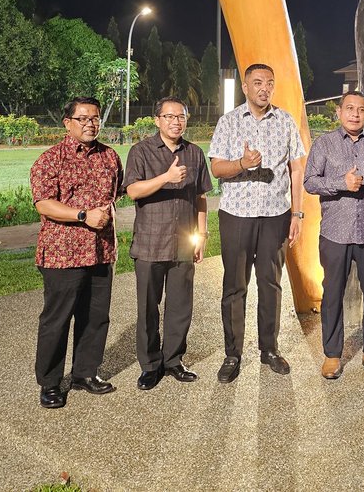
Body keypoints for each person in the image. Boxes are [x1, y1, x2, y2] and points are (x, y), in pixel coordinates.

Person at [208, 63, 306, 382]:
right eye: (257, 82)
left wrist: (297, 214)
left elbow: (296, 171)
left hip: (275, 215)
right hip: (237, 215)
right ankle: (232, 354)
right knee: (235, 286)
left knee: (271, 284)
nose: (264, 88)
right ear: (246, 88)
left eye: (269, 83)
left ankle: (270, 349)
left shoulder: (286, 122)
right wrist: (242, 163)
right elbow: (217, 169)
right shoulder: (229, 122)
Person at [304, 90, 364, 380]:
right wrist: (341, 183)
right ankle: (332, 355)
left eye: (361, 110)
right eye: (349, 108)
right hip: (335, 231)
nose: (355, 114)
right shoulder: (324, 144)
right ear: (339, 112)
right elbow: (310, 182)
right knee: (332, 293)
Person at [31, 96, 122, 409]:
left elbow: (120, 192)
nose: (90, 124)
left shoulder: (110, 156)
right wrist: (83, 215)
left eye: (94, 118)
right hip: (62, 253)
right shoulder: (50, 159)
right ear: (67, 122)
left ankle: (85, 372)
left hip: (100, 251)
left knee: (95, 317)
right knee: (57, 319)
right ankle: (50, 382)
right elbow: (43, 203)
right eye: (82, 118)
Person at [123, 97, 212, 391]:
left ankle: (173, 360)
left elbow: (200, 198)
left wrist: (201, 235)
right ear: (157, 119)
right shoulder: (142, 152)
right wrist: (167, 177)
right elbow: (134, 191)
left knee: (180, 306)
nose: (176, 121)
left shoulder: (195, 153)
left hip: (183, 243)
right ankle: (150, 365)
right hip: (150, 242)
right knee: (148, 308)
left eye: (181, 116)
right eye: (169, 116)